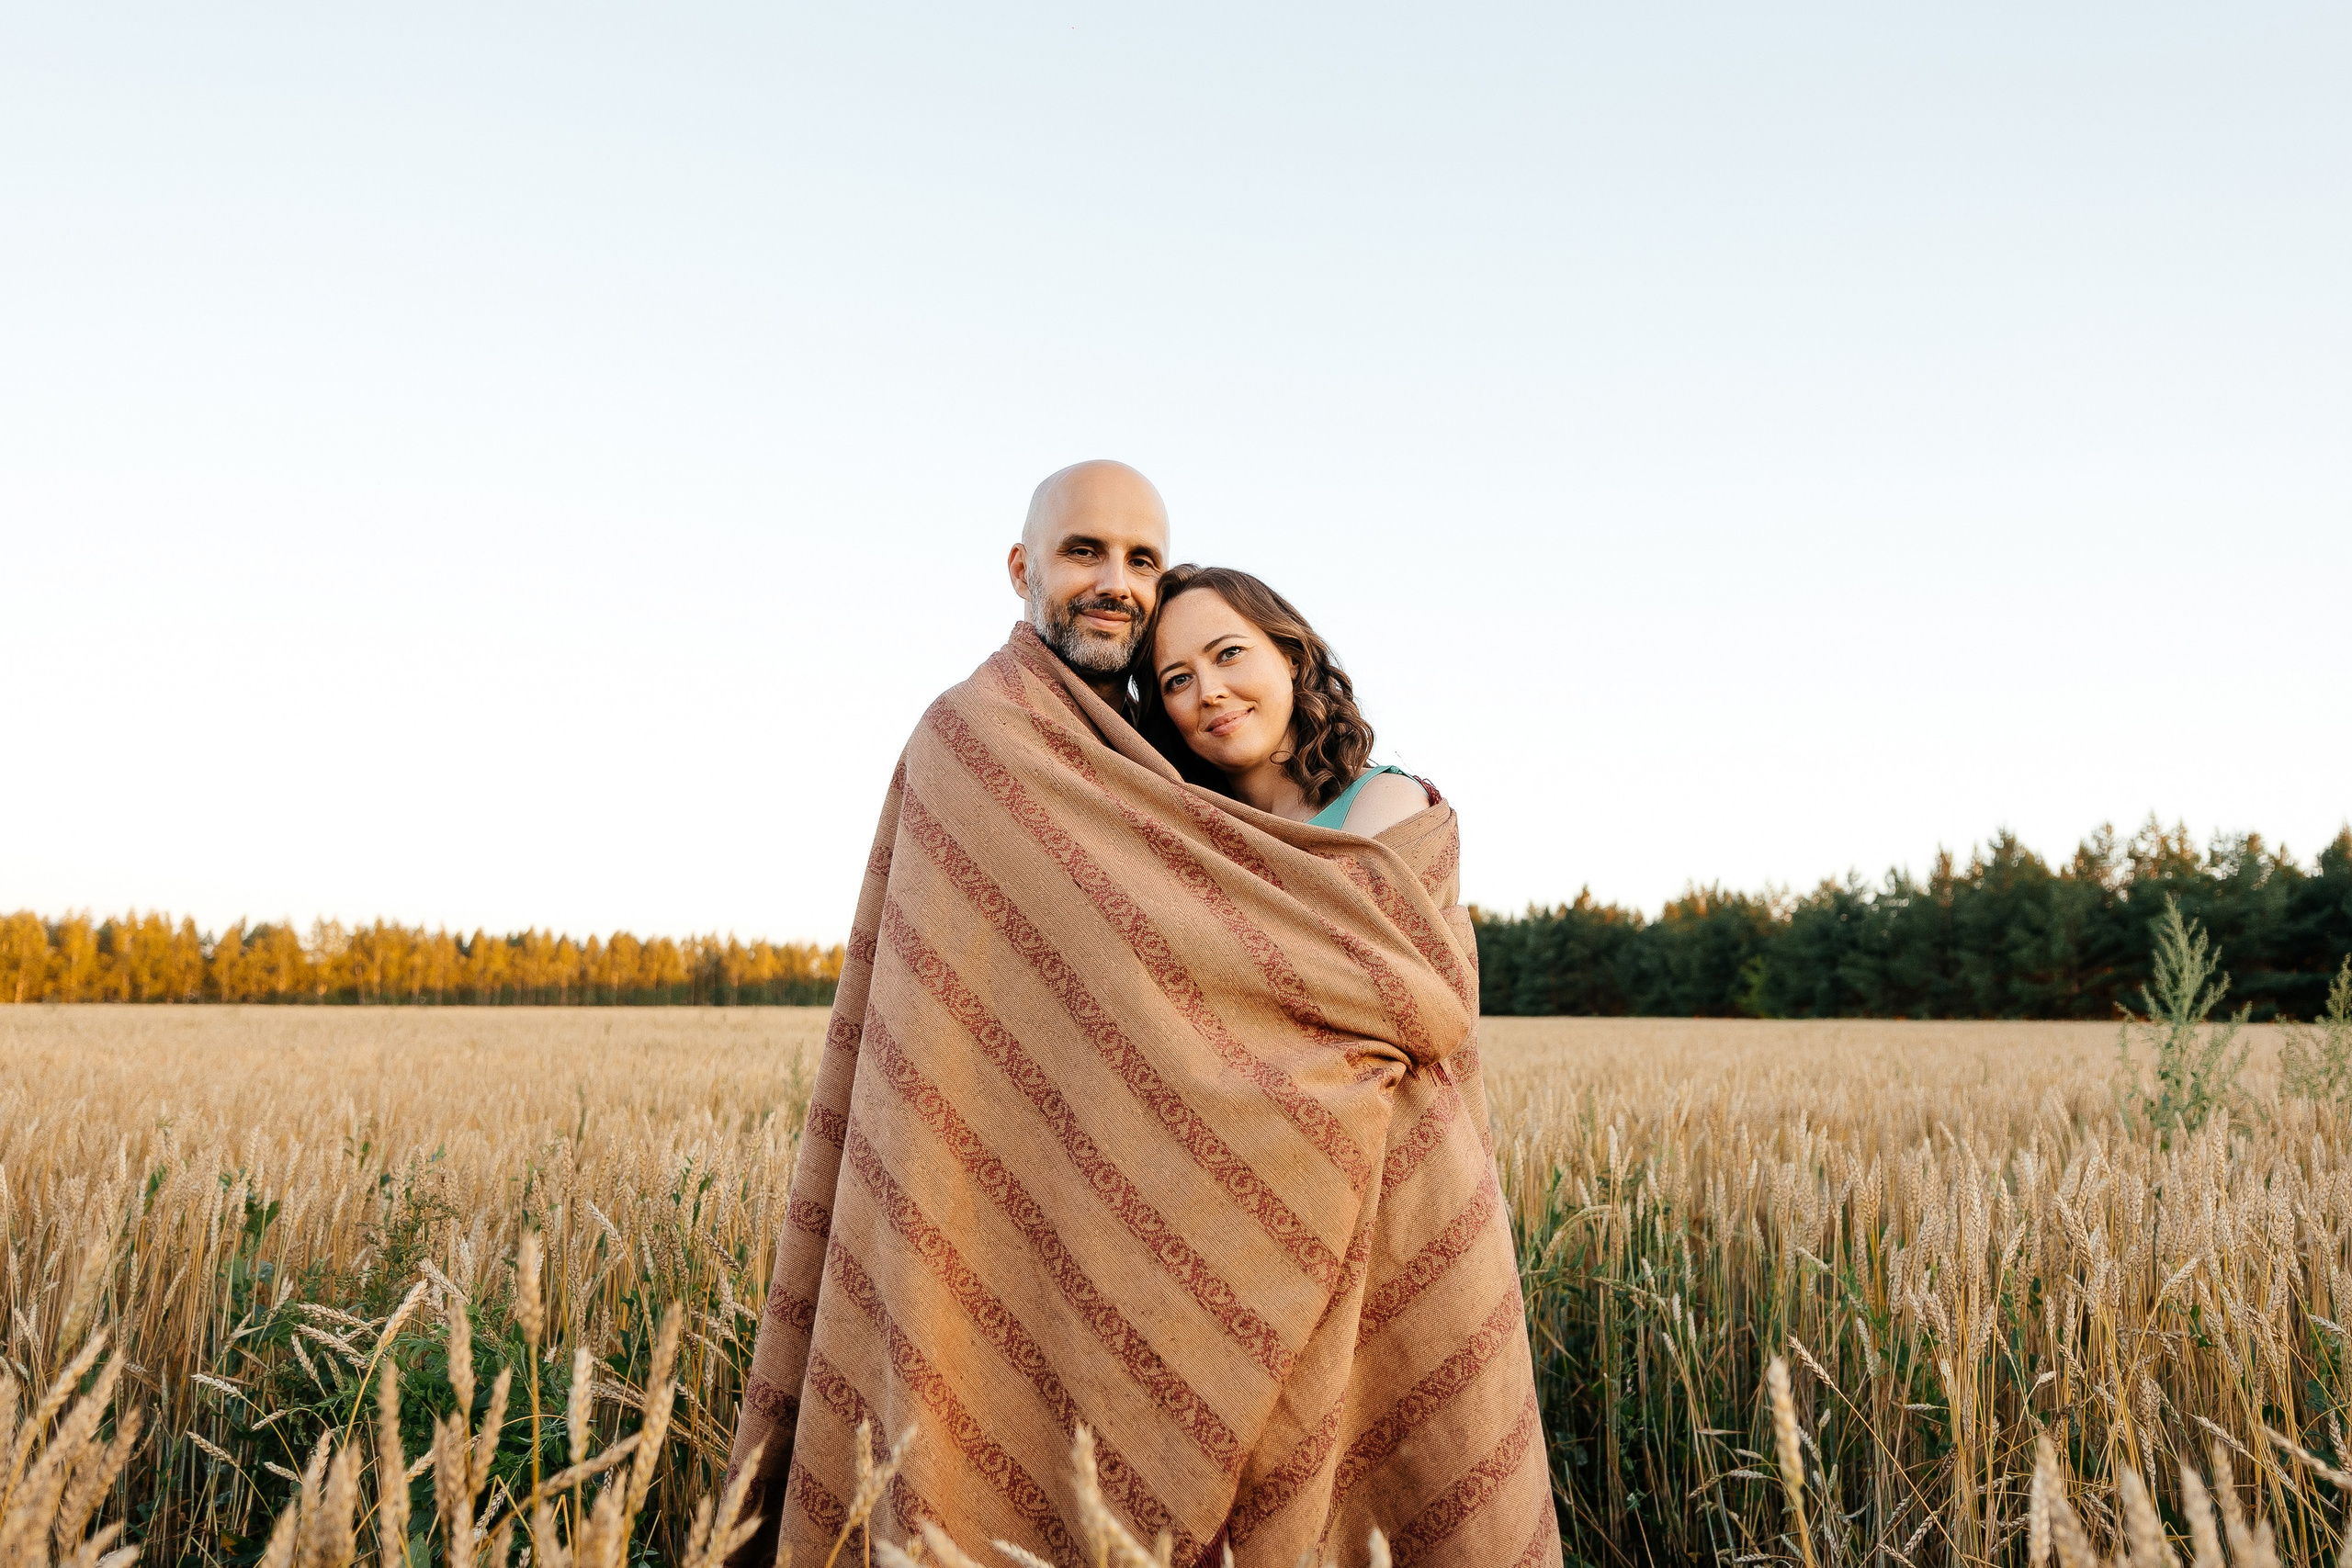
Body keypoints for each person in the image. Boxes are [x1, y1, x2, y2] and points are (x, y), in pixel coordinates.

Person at [724, 462, 1560, 1568]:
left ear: (1291, 660)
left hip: (1387, 1202)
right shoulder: (986, 747)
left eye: (1141, 561)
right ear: (1023, 568)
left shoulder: (1304, 806)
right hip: (1095, 1222)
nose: (1115, 581)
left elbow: (1407, 996)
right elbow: (1057, 1028)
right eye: (1084, 553)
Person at [1136, 564, 1431, 839]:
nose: (1209, 693)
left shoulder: (1383, 800)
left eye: (1229, 653)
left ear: (1291, 656)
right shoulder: (1176, 839)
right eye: (1178, 680)